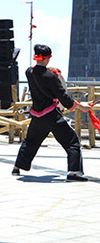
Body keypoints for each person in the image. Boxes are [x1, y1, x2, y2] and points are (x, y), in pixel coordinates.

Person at [13, 44, 92, 182]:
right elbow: (64, 98)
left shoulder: (29, 72)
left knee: (31, 141)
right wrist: (81, 106)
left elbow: (38, 73)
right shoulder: (51, 77)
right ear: (48, 58)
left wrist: (47, 70)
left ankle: (18, 166)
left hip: (37, 116)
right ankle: (74, 172)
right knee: (72, 142)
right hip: (51, 116)